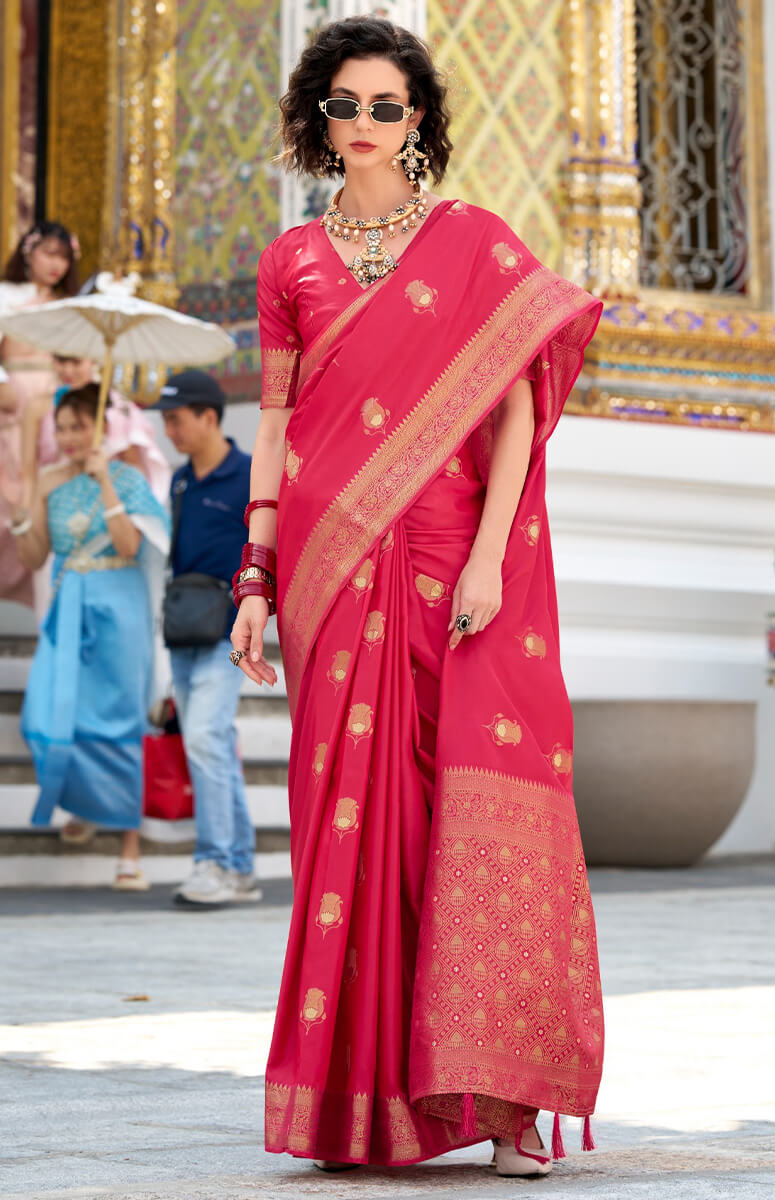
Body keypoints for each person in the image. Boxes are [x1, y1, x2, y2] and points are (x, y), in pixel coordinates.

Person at [230, 15, 606, 1177]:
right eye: (342, 106)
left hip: (453, 555)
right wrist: (253, 574)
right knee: (356, 825)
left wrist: (491, 555)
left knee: (469, 810)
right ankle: (362, 1103)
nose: (362, 126)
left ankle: (506, 1104)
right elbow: (280, 426)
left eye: (384, 107)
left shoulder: (470, 242)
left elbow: (511, 410)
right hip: (329, 569)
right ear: (316, 118)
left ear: (419, 121)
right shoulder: (290, 260)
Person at [13, 384, 169, 890]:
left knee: (120, 720)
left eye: (79, 426)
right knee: (43, 714)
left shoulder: (125, 478)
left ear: (100, 428)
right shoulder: (49, 481)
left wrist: (105, 483)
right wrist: (19, 515)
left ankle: (129, 849)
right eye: (62, 428)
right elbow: (34, 556)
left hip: (117, 607)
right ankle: (82, 800)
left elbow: (129, 546)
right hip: (67, 603)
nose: (69, 437)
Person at [154, 369, 261, 906]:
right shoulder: (178, 481)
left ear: (209, 416)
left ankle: (215, 862)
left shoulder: (249, 474)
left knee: (203, 739)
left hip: (229, 633)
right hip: (183, 630)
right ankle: (237, 867)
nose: (169, 430)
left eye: (176, 419)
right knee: (209, 742)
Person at [0, 221, 80, 607]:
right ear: (28, 252)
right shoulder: (6, 294)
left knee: (51, 489)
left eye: (64, 257)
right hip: (12, 407)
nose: (56, 265)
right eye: (49, 253)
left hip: (55, 407)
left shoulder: (69, 306)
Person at [24, 354, 170, 505]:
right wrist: (26, 510)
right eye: (61, 361)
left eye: (76, 362)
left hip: (104, 502)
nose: (68, 370)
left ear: (91, 360)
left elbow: (133, 468)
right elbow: (28, 471)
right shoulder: (37, 408)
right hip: (55, 500)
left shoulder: (117, 406)